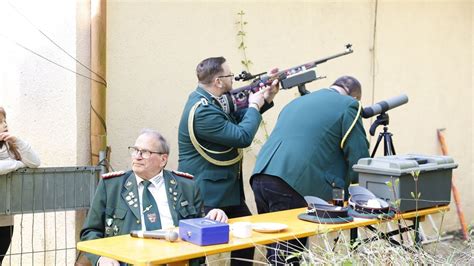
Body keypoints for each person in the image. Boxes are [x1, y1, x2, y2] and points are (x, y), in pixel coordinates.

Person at [250, 76, 370, 265]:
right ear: (355, 98)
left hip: (261, 176)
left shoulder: (297, 101)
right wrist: (360, 189)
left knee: (276, 249)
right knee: (288, 255)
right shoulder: (348, 105)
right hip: (291, 183)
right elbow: (359, 157)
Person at [178, 56, 279, 265]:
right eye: (230, 75)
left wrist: (265, 98)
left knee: (245, 240)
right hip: (206, 193)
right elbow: (241, 136)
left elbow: (234, 120)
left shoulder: (210, 100)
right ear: (218, 81)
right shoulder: (203, 111)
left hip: (226, 192)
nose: (233, 79)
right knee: (197, 250)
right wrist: (253, 105)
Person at [80, 129, 227, 266]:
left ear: (163, 159)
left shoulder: (186, 186)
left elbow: (198, 227)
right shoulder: (111, 186)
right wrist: (102, 258)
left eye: (145, 152)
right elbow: (90, 232)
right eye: (135, 150)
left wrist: (213, 219)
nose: (137, 156)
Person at [0, 107, 41, 264]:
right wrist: (16, 165)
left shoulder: (10, 148)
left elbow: (35, 162)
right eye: (0, 122)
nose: (5, 125)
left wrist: (17, 141)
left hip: (5, 219)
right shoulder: (12, 160)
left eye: (5, 121)